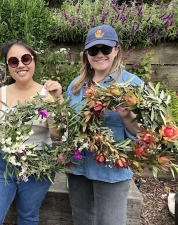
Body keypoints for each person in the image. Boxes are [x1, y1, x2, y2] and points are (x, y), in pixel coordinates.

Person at [0, 40, 63, 225]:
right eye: (13, 61)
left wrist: (58, 101)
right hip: (3, 163)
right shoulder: (0, 94)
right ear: (8, 67)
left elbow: (56, 134)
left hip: (38, 164)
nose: (21, 65)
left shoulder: (48, 94)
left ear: (34, 61)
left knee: (28, 215)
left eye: (25, 59)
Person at [66, 24, 143, 225]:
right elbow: (67, 126)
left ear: (116, 49)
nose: (99, 54)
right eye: (93, 50)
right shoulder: (76, 86)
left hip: (111, 172)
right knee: (81, 219)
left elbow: (143, 133)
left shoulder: (132, 85)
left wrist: (127, 116)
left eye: (105, 49)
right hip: (78, 168)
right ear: (86, 54)